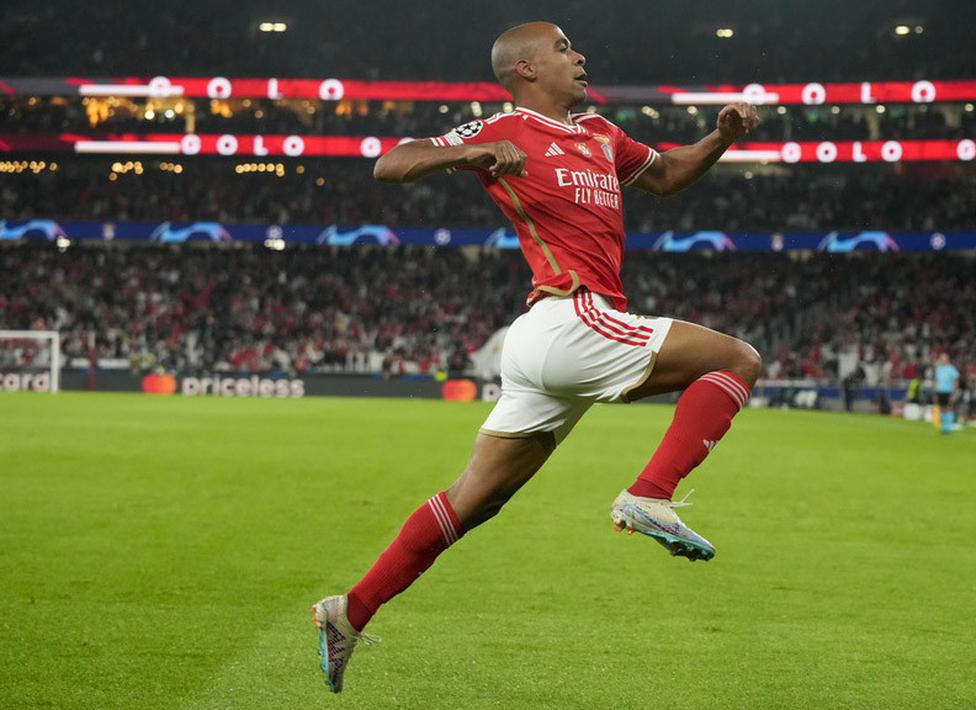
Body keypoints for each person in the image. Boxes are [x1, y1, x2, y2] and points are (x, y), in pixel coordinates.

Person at [309, 22, 762, 694]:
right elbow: (393, 162)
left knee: (476, 501)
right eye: (563, 49)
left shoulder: (601, 134)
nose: (579, 56)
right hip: (569, 316)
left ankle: (348, 612)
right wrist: (472, 153)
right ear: (524, 68)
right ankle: (648, 495)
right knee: (736, 358)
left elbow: (665, 175)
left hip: (551, 342)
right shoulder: (504, 128)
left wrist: (721, 137)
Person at [933, 352, 959, 433]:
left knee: (948, 408)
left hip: (948, 391)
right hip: (940, 391)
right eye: (941, 358)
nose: (942, 360)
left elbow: (955, 381)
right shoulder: (938, 369)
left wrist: (954, 392)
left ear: (947, 359)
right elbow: (936, 381)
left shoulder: (951, 369)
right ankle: (943, 427)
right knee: (941, 409)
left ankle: (948, 427)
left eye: (944, 358)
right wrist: (935, 392)